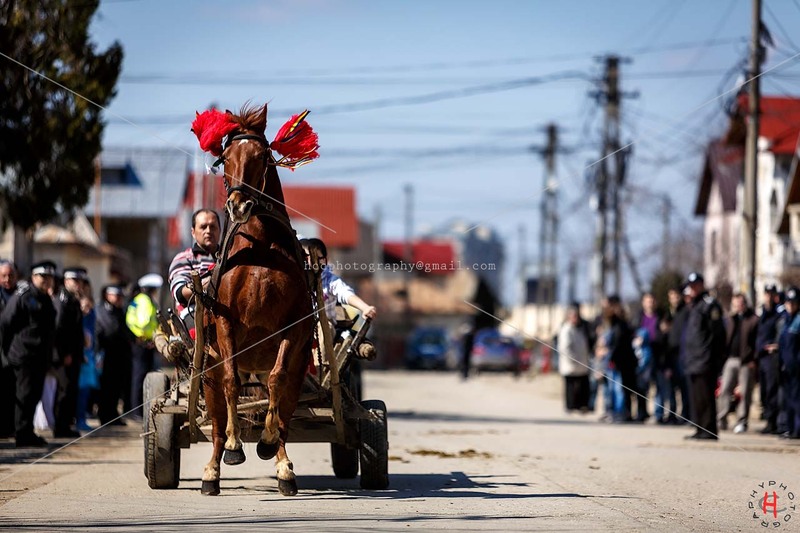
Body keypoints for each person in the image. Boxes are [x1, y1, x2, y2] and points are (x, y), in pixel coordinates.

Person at [0, 261, 57, 447]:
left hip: (39, 356)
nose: (46, 281)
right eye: (43, 277)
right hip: (23, 355)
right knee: (23, 395)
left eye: (49, 277)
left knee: (34, 395)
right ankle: (22, 434)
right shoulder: (24, 296)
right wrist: (10, 351)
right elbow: (6, 323)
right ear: (33, 277)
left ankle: (27, 432)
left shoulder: (45, 298)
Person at [682, 272, 725, 441]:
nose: (691, 290)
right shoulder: (695, 306)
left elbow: (718, 334)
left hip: (705, 359)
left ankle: (709, 429)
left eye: (694, 286)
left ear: (701, 285)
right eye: (690, 287)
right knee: (696, 396)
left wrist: (714, 357)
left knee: (706, 395)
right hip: (693, 359)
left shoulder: (710, 305)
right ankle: (700, 427)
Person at [52, 266, 88, 438]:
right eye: (75, 281)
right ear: (66, 281)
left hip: (73, 354)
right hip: (65, 355)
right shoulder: (63, 300)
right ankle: (60, 427)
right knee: (64, 391)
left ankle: (65, 425)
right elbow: (60, 330)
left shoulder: (73, 299)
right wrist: (64, 353)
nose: (78, 284)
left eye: (80, 281)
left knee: (71, 390)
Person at [716, 293, 758, 434]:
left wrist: (754, 359)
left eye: (740, 303)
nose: (738, 306)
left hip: (746, 361)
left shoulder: (753, 320)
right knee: (724, 390)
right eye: (735, 304)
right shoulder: (729, 320)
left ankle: (742, 421)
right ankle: (722, 418)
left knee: (745, 392)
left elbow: (757, 342)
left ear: (745, 304)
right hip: (730, 359)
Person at [168, 208, 220, 319]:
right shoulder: (183, 259)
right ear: (193, 232)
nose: (208, 231)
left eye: (213, 227)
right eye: (203, 227)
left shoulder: (231, 257)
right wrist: (206, 284)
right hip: (194, 315)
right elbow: (180, 293)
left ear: (220, 230)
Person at [96, 284, 134, 425]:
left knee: (117, 387)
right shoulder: (101, 310)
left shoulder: (120, 311)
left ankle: (113, 414)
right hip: (107, 354)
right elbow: (103, 330)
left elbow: (124, 330)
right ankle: (105, 415)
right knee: (107, 387)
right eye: (115, 295)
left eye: (119, 296)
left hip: (120, 354)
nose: (118, 299)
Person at [126, 274, 162, 420]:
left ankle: (135, 409)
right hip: (143, 343)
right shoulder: (145, 301)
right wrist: (150, 335)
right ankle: (137, 410)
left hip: (138, 342)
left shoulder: (138, 300)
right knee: (141, 377)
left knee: (138, 376)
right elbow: (144, 321)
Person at [755, 284, 783, 434]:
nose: (769, 297)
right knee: (764, 391)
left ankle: (773, 422)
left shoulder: (778, 312)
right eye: (767, 294)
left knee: (772, 390)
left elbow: (781, 332)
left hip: (772, 357)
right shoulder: (763, 312)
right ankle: (768, 419)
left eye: (771, 294)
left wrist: (776, 345)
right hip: (761, 356)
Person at [557, 303, 591, 412]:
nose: (575, 319)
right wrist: (572, 359)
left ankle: (580, 405)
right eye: (573, 316)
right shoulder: (566, 329)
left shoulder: (580, 328)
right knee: (570, 387)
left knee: (581, 386)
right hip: (571, 363)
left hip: (581, 363)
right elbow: (565, 348)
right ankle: (570, 406)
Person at [0, 260, 20, 437]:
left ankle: (10, 428)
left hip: (15, 353)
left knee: (12, 393)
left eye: (10, 276)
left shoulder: (21, 296)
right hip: (1, 351)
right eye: (3, 276)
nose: (7, 279)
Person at [778, 287, 800, 440]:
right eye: (788, 303)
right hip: (787, 367)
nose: (790, 306)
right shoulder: (786, 320)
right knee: (788, 400)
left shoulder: (798, 321)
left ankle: (798, 430)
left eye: (794, 303)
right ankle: (790, 429)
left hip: (797, 368)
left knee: (797, 400)